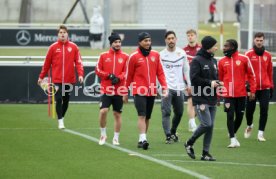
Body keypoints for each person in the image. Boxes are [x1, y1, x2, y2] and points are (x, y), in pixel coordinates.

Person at [124, 32, 168, 150]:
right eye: (145, 41)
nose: (148, 43)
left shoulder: (155, 55)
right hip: (139, 91)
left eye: (149, 40)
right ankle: (144, 139)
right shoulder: (133, 57)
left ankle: (141, 139)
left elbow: (160, 72)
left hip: (152, 91)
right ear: (140, 42)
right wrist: (125, 92)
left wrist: (164, 87)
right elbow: (129, 76)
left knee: (148, 117)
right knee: (142, 115)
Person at [38, 25, 84, 129]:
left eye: (64, 32)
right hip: (57, 80)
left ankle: (61, 117)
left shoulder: (73, 47)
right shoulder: (53, 47)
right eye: (60, 32)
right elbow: (46, 64)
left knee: (66, 100)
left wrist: (80, 74)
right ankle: (60, 121)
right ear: (58, 34)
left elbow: (79, 62)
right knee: (58, 99)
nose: (62, 34)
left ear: (67, 34)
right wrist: (41, 77)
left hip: (69, 79)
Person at [184, 36, 222, 161]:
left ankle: (205, 153)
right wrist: (210, 83)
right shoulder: (197, 60)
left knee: (210, 126)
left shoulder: (214, 61)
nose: (216, 48)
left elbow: (214, 78)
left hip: (212, 98)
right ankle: (189, 143)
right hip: (200, 98)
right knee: (206, 123)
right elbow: (194, 79)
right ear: (208, 47)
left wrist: (218, 90)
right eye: (214, 45)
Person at [218, 39, 256, 148]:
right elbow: (220, 80)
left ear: (233, 47)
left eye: (226, 46)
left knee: (239, 117)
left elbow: (251, 75)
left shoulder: (244, 59)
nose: (224, 48)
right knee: (230, 116)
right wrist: (218, 95)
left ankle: (233, 133)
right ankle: (232, 139)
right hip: (228, 95)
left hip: (241, 94)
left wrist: (252, 90)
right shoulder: (221, 61)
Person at [95, 33, 129, 146]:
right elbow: (98, 70)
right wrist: (109, 76)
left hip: (119, 90)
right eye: (115, 42)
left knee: (117, 114)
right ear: (111, 43)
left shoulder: (125, 57)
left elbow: (126, 72)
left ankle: (116, 138)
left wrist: (118, 78)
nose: (118, 44)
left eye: (119, 42)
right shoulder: (103, 55)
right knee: (103, 111)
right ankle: (103, 134)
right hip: (106, 89)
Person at [160, 31, 191, 144]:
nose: (171, 40)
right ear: (165, 40)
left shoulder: (181, 53)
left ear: (176, 39)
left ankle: (173, 131)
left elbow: (186, 69)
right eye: (169, 38)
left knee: (179, 112)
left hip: (179, 88)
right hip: (166, 88)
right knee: (166, 112)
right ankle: (168, 135)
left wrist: (189, 84)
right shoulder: (161, 55)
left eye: (173, 38)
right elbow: (158, 72)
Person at [244, 32, 274, 142]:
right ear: (254, 40)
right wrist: (247, 85)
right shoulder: (248, 54)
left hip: (265, 88)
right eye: (257, 40)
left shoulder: (268, 55)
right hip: (252, 88)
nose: (259, 42)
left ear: (263, 41)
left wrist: (271, 86)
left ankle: (261, 133)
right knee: (250, 110)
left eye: (261, 40)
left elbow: (270, 72)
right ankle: (249, 125)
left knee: (264, 110)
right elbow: (245, 72)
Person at [183, 29, 201, 132]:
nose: (190, 37)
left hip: (200, 80)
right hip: (188, 80)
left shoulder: (201, 49)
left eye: (192, 35)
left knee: (200, 103)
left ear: (196, 36)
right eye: (188, 35)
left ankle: (192, 118)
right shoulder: (183, 51)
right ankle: (192, 123)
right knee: (190, 101)